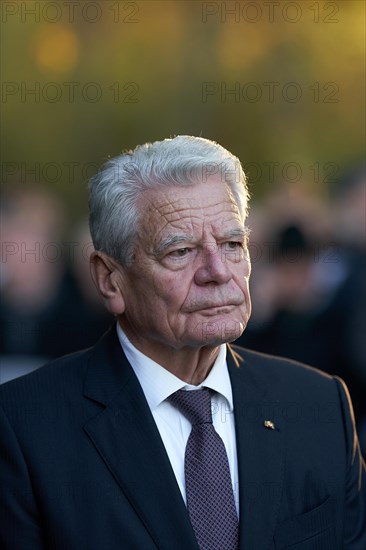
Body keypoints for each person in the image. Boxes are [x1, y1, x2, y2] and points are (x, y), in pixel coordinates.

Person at [0, 136, 365, 549]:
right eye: (181, 251)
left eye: (232, 245)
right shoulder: (23, 428)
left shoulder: (320, 406)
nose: (217, 271)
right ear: (109, 279)